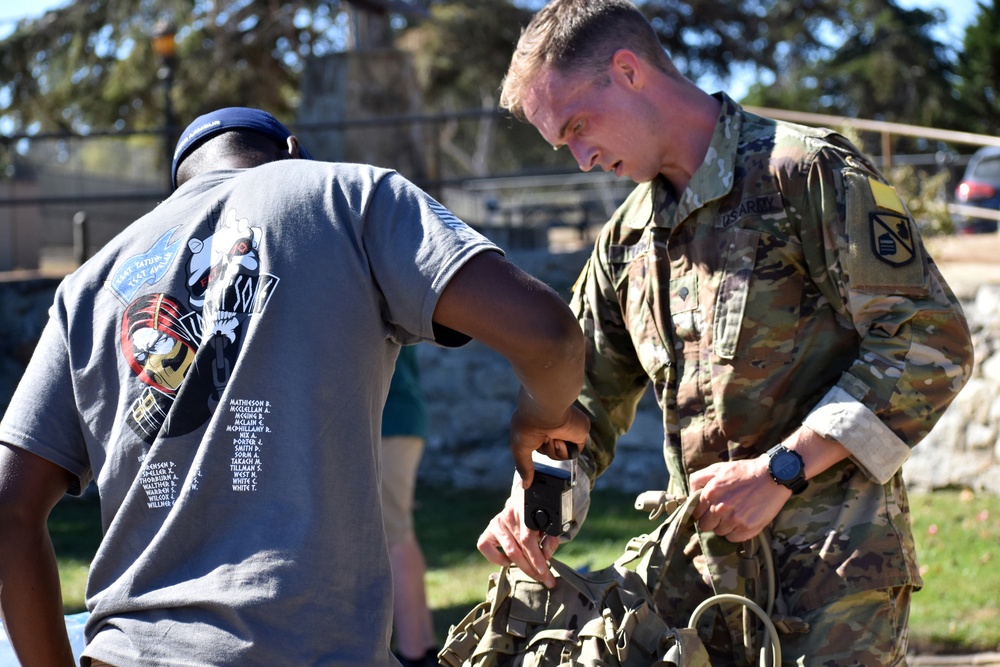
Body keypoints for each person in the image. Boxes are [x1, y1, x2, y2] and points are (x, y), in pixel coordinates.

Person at [0, 107, 590, 667]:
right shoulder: (349, 195)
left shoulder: (88, 287)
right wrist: (541, 414)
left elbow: (9, 509)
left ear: (175, 192)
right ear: (291, 151)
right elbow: (551, 337)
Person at [477, 1, 975, 664]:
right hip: (697, 605)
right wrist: (535, 502)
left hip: (832, 590)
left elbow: (930, 342)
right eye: (563, 143)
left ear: (627, 71)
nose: (583, 159)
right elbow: (582, 401)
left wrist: (783, 468)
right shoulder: (627, 242)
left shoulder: (805, 175)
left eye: (577, 126)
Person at [380, 345, 436, 667]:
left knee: (393, 539)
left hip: (390, 419)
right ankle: (424, 648)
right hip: (403, 418)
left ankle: (413, 655)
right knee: (401, 536)